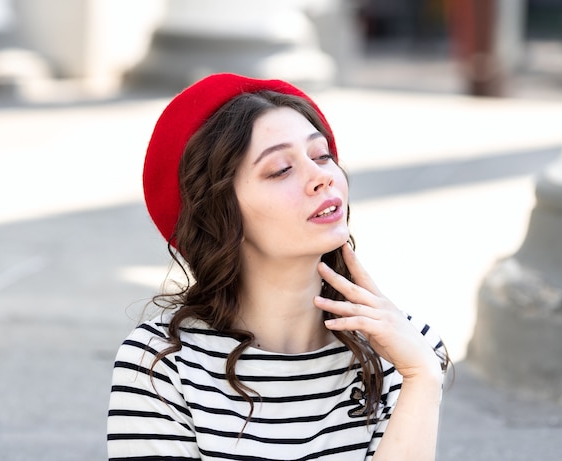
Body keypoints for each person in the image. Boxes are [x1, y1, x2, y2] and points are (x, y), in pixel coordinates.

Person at [107, 73, 448, 460]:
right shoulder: (161, 365)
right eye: (281, 170)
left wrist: (421, 378)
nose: (322, 177)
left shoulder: (404, 349)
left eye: (322, 156)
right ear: (220, 215)